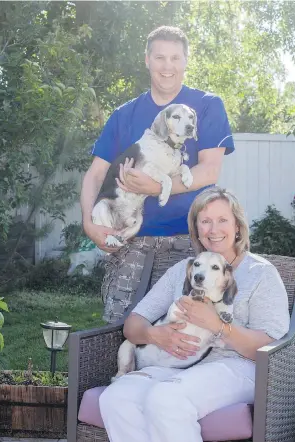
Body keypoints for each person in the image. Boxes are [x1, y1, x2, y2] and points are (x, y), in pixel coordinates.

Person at [98, 186, 290, 442]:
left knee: (166, 399)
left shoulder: (261, 273)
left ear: (237, 227)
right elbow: (133, 325)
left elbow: (271, 345)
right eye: (205, 221)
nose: (213, 230)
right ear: (196, 228)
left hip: (238, 366)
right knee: (116, 398)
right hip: (178, 365)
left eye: (222, 220)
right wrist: (155, 335)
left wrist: (217, 325)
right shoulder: (184, 270)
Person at [80, 26, 235, 323]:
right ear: (147, 60)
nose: (168, 66)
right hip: (131, 242)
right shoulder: (124, 114)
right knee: (120, 328)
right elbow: (95, 175)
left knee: (184, 329)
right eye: (160, 57)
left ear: (186, 61)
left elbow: (209, 170)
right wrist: (89, 224)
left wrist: (155, 186)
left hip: (189, 242)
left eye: (175, 58)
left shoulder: (206, 106)